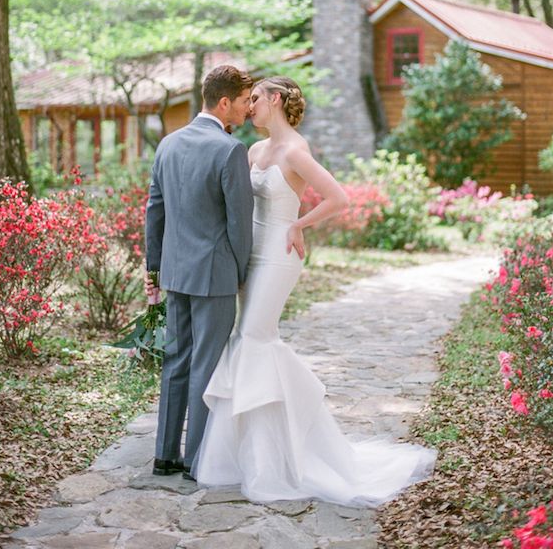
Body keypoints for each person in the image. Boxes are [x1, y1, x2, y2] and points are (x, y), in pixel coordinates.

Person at [192, 76, 436, 504]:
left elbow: (338, 198)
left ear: (276, 100)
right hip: (250, 255)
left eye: (255, 100)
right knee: (250, 341)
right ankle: (256, 454)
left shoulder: (295, 151)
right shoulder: (253, 150)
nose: (249, 107)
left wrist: (299, 225)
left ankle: (276, 462)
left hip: (278, 258)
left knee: (254, 338)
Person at [144, 64, 255, 480]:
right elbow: (239, 225)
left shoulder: (167, 145)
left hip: (175, 272)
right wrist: (242, 273)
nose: (247, 109)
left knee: (176, 361)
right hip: (215, 276)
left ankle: (165, 455)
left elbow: (154, 211)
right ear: (224, 102)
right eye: (244, 101)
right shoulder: (230, 150)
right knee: (205, 366)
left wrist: (154, 268)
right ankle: (197, 461)